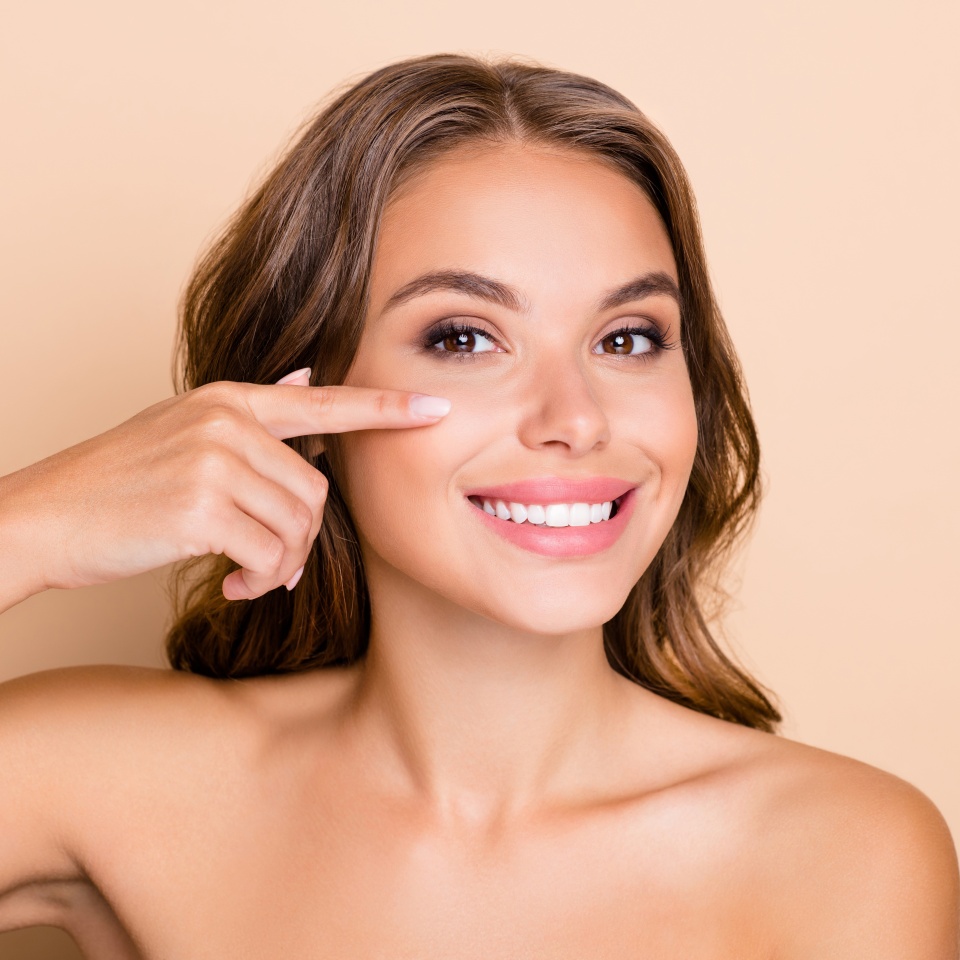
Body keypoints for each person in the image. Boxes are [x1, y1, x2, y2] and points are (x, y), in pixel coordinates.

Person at [0, 53, 956, 958]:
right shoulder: (118, 781)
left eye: (628, 338)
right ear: (304, 399)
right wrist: (32, 524)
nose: (575, 419)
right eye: (464, 337)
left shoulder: (846, 853)